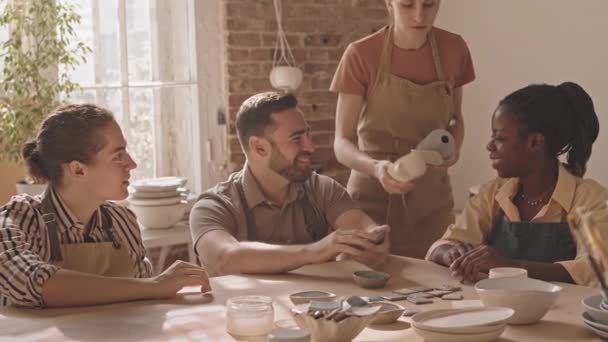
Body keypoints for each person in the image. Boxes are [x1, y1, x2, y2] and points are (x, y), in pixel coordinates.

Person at [0, 104, 210, 308]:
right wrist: (156, 285)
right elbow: (36, 282)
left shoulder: (122, 221)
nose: (132, 164)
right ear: (78, 170)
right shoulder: (20, 217)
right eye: (117, 156)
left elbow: (143, 303)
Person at [330, 0, 475, 258]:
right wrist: (376, 168)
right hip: (370, 201)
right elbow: (341, 143)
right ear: (388, 3)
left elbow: (456, 119)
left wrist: (455, 149)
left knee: (437, 289)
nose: (420, 15)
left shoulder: (455, 49)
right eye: (407, 5)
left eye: (429, 4)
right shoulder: (361, 54)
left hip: (432, 203)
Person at [427, 82, 607, 287]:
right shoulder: (491, 193)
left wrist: (509, 266)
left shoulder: (590, 198)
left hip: (566, 315)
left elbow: (594, 269)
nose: (489, 146)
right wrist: (452, 254)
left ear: (535, 142)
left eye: (500, 138)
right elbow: (441, 246)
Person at [190, 92, 391, 276]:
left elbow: (362, 230)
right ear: (259, 147)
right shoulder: (212, 206)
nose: (310, 147)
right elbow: (226, 258)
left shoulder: (322, 189)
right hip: (244, 315)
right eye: (296, 139)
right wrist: (314, 251)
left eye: (307, 135)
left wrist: (372, 241)